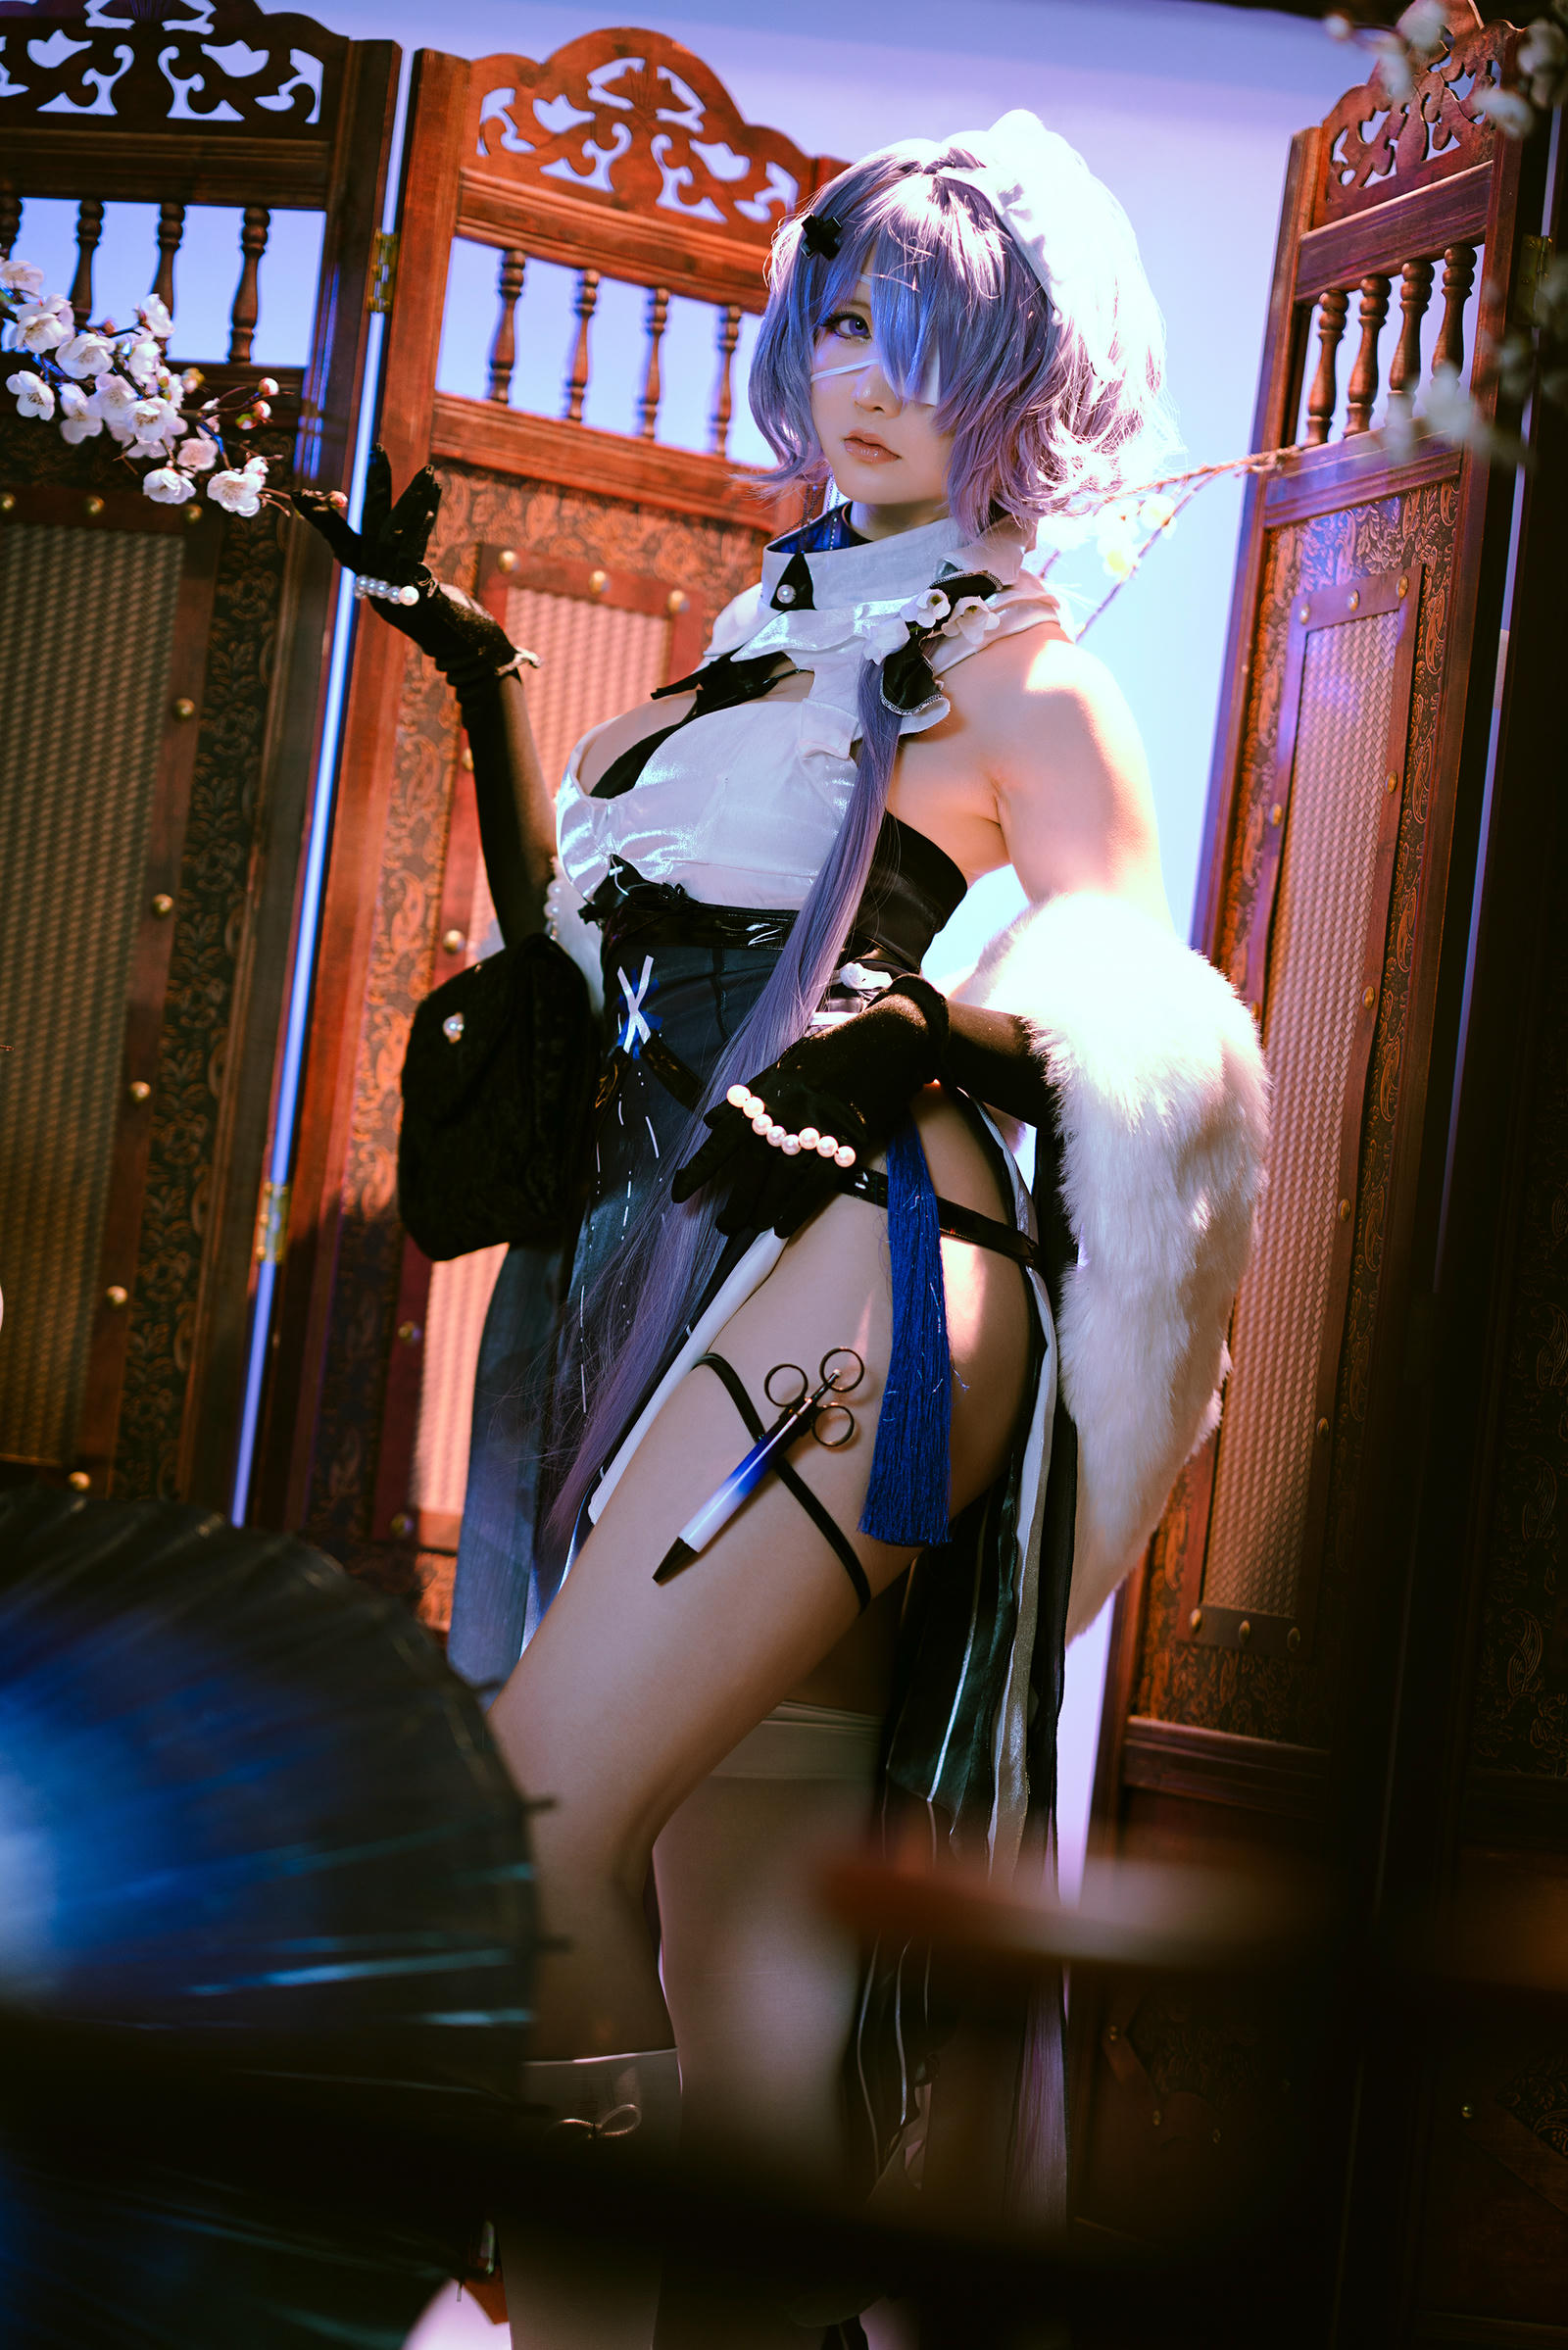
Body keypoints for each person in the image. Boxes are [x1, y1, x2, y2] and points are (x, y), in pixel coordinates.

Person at [299, 109, 1267, 2349]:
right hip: (648, 1259)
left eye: (927, 335)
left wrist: (921, 1020)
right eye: (840, 320)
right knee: (736, 1922)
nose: (868, 375)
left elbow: (1140, 1042)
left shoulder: (1023, 674)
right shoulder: (743, 647)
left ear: (1021, 373)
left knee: (546, 1821)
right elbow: (586, 964)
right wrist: (485, 679)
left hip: (864, 1263)